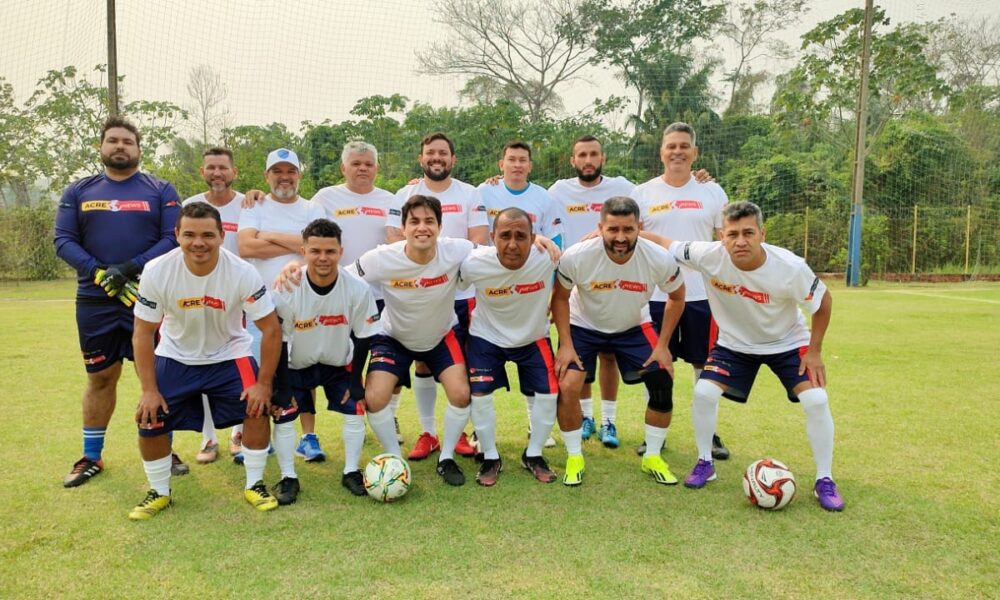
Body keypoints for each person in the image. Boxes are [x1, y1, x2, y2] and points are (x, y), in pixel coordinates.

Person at [662, 201, 844, 512]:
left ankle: (824, 479)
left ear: (762, 233)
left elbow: (823, 301)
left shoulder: (790, 267)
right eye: (733, 234)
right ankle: (705, 462)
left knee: (817, 401)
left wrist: (814, 351)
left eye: (748, 233)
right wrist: (634, 232)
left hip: (787, 342)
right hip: (735, 345)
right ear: (722, 236)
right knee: (704, 392)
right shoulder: (708, 255)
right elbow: (668, 244)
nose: (740, 241)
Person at [128, 202, 285, 519]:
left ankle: (255, 484)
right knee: (149, 415)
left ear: (222, 235)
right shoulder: (157, 270)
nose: (198, 242)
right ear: (177, 235)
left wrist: (264, 384)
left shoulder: (241, 271)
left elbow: (271, 329)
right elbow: (142, 334)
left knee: (256, 407)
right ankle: (159, 491)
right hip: (175, 355)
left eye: (207, 235)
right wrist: (148, 389)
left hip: (229, 354)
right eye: (189, 234)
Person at [54, 116, 182, 488]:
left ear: (139, 149)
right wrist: (99, 272)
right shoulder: (78, 191)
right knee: (100, 377)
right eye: (113, 140)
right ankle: (91, 457)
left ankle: (164, 449)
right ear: (101, 147)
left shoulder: (160, 189)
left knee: (157, 377)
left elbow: (172, 238)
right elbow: (63, 240)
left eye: (128, 141)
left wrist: (128, 268)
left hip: (147, 295)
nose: (120, 146)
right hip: (95, 298)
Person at [552, 197, 686, 487]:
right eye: (613, 229)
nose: (621, 237)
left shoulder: (659, 258)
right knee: (568, 385)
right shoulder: (577, 256)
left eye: (628, 229)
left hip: (632, 326)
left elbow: (677, 296)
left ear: (639, 227)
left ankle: (652, 456)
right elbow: (560, 298)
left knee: (662, 378)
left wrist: (663, 346)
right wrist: (565, 344)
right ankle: (575, 457)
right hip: (583, 325)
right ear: (600, 227)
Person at [357, 195, 476, 486]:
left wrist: (539, 243)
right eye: (414, 221)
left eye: (429, 221)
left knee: (461, 395)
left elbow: (496, 254)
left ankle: (445, 456)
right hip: (393, 337)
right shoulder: (381, 257)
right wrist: (296, 271)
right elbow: (340, 277)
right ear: (403, 227)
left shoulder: (457, 250)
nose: (422, 228)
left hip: (440, 336)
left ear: (440, 226)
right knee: (374, 399)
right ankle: (395, 459)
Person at [385, 133, 488, 461]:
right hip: (420, 294)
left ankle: (463, 433)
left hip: (463, 294)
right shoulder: (405, 193)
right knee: (424, 362)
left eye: (443, 153)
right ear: (421, 158)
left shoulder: (471, 194)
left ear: (453, 159)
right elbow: (393, 242)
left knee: (465, 364)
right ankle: (428, 433)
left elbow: (478, 242)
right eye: (431, 153)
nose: (437, 158)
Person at [632, 122, 730, 460]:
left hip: (703, 296)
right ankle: (654, 436)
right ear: (661, 152)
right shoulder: (641, 193)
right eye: (671, 146)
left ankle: (710, 433)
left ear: (694, 153)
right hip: (656, 296)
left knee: (705, 369)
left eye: (684, 146)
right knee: (657, 365)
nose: (677, 151)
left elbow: (724, 241)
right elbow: (631, 239)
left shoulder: (712, 192)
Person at [237, 148, 325, 497]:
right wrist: (295, 243)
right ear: (267, 175)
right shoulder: (254, 205)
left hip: (304, 304)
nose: (284, 176)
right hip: (262, 306)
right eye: (278, 171)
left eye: (291, 171)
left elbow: (317, 247)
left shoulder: (313, 208)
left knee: (304, 371)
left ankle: (309, 436)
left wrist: (268, 236)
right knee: (261, 373)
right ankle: (255, 439)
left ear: (299, 175)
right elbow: (246, 247)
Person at [272, 218, 382, 497]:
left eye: (330, 251)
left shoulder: (357, 288)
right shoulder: (288, 288)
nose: (323, 258)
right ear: (304, 251)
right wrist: (282, 385)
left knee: (356, 407)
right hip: (296, 365)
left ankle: (351, 471)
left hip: (337, 364)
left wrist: (357, 380)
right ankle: (288, 477)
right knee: (283, 413)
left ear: (341, 252)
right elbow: (279, 341)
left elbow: (364, 336)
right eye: (315, 251)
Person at [457, 207, 561, 485]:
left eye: (520, 236)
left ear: (533, 237)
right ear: (492, 237)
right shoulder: (474, 263)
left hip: (532, 337)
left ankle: (534, 454)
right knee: (480, 395)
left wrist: (554, 298)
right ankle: (490, 456)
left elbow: (575, 274)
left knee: (549, 395)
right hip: (485, 337)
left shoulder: (546, 258)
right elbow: (453, 282)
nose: (512, 244)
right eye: (504, 236)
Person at [548, 135, 636, 447]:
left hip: (614, 283)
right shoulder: (558, 190)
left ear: (603, 159)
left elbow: (655, 199)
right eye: (582, 155)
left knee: (610, 356)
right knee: (579, 357)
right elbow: (529, 206)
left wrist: (696, 178)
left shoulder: (623, 186)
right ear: (573, 161)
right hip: (574, 282)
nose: (588, 160)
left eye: (594, 154)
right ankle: (586, 417)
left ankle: (609, 420)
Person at [477, 141, 564, 449]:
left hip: (530, 287)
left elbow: (555, 246)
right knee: (485, 359)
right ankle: (480, 431)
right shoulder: (483, 192)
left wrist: (551, 294)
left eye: (522, 160)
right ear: (501, 164)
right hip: (491, 285)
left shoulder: (544, 197)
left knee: (532, 353)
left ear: (530, 165)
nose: (516, 165)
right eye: (511, 159)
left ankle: (534, 425)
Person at [182, 146, 245, 465]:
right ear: (202, 171)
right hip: (198, 301)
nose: (217, 173)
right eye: (211, 168)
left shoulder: (249, 203)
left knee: (238, 367)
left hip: (238, 301)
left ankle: (238, 432)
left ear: (234, 172)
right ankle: (208, 438)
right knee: (203, 367)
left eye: (223, 167)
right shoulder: (190, 206)